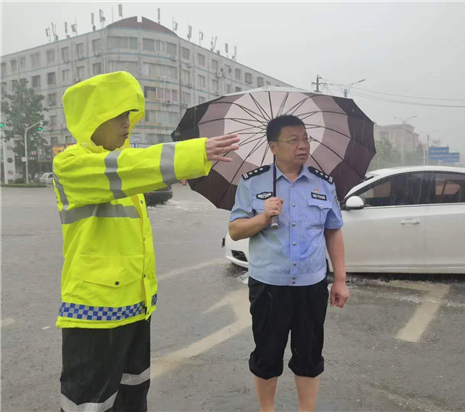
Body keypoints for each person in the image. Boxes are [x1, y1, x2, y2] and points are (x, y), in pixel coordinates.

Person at [53, 71, 239, 411]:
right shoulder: (71, 165)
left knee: (134, 393)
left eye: (129, 114)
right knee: (89, 403)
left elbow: (134, 170)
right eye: (117, 115)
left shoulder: (124, 166)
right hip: (94, 311)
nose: (127, 123)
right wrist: (194, 152)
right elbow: (128, 167)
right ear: (92, 119)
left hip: (136, 306)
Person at [228, 114, 349, 412]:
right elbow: (235, 230)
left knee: (309, 355)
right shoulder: (252, 183)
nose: (302, 145)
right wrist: (263, 216)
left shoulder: (323, 184)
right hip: (269, 286)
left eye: (306, 138)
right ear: (273, 146)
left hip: (311, 284)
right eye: (293, 140)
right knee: (267, 356)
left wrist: (340, 280)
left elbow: (333, 231)